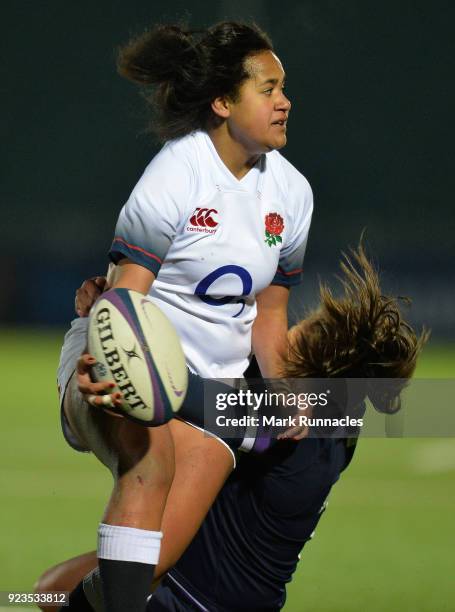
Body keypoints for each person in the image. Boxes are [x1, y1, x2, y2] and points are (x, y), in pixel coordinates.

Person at [46, 20, 313, 612]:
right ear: (223, 102)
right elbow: (123, 299)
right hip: (125, 361)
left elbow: (269, 318)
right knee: (149, 463)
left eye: (283, 87)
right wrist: (101, 363)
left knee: (151, 564)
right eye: (267, 88)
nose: (284, 100)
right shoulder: (177, 172)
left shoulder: (293, 195)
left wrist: (286, 387)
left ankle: (39, 599)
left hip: (209, 399)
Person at [36, 245, 428, 611]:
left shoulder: (284, 419)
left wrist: (97, 327)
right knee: (49, 589)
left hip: (191, 596)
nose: (285, 332)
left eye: (300, 329)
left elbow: (165, 385)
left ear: (313, 358)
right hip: (241, 594)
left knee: (53, 594)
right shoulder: (341, 420)